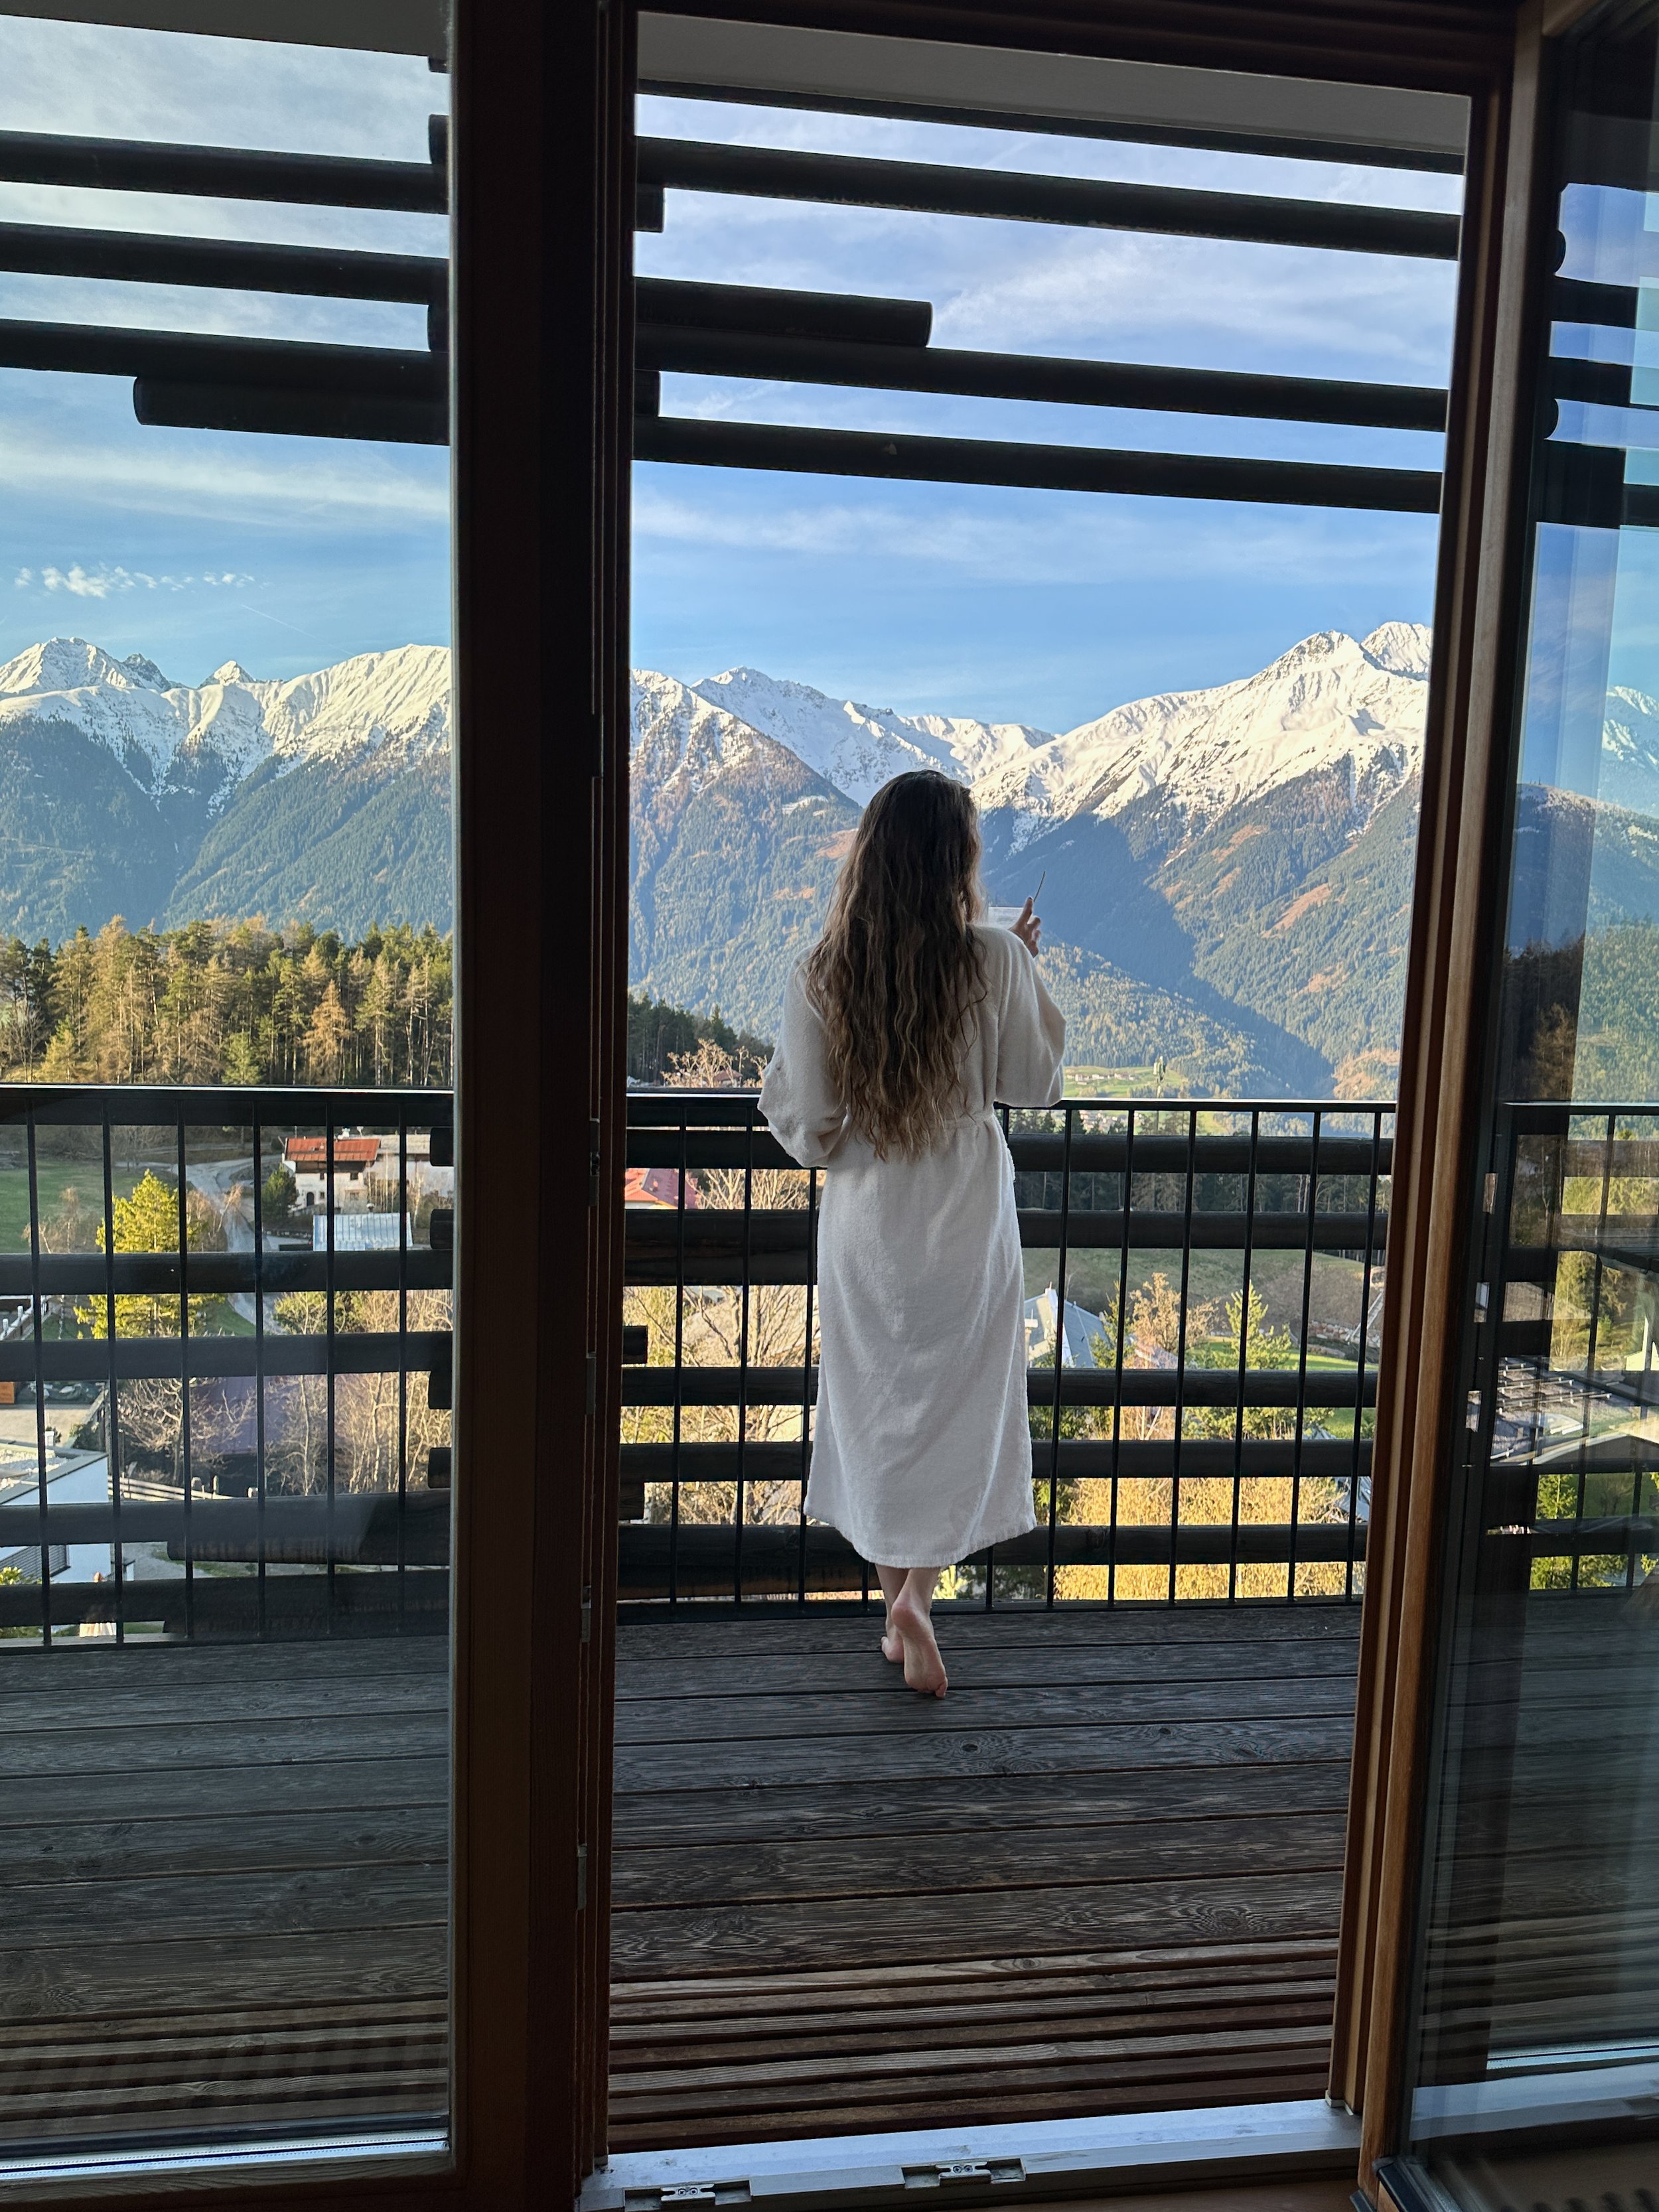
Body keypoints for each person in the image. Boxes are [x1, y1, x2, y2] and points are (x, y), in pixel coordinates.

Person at [759, 771, 1065, 1698]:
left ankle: (903, 1607)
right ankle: (916, 1600)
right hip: (966, 1219)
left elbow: (807, 1125)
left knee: (877, 1407)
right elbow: (1036, 1079)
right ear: (959, 860)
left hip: (868, 1221)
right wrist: (1019, 963)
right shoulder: (993, 960)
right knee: (959, 1406)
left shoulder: (822, 973)